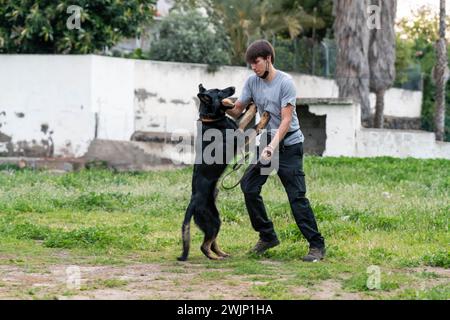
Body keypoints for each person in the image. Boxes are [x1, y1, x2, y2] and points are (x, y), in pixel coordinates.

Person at [226, 40, 326, 262]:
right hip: (268, 142)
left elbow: (286, 120)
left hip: (288, 144)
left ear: (268, 59)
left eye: (256, 62)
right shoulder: (252, 82)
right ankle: (268, 235)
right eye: (251, 63)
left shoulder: (285, 83)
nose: (253, 67)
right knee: (249, 187)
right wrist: (218, 102)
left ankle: (316, 246)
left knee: (296, 197)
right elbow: (237, 110)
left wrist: (271, 147)